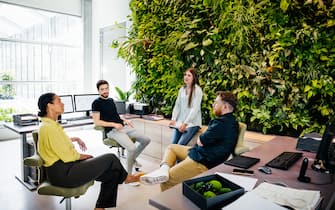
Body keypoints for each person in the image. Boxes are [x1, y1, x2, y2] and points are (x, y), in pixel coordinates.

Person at [37, 93, 143, 210]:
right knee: (110, 158)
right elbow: (68, 156)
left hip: (65, 168)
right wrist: (83, 156)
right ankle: (127, 178)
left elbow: (56, 143)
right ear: (49, 105)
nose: (62, 103)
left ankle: (99, 208)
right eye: (59, 101)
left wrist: (74, 139)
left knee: (112, 173)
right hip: (63, 173)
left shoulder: (50, 125)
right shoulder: (48, 127)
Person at [140, 91, 239, 191]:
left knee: (167, 181)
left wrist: (202, 138)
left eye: (216, 102)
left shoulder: (221, 123)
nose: (213, 104)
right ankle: (163, 170)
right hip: (199, 153)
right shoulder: (231, 122)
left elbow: (200, 141)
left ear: (225, 107)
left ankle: (168, 203)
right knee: (172, 147)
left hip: (202, 162)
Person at [92, 80, 151, 174]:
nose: (105, 91)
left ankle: (132, 159)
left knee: (146, 140)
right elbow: (97, 122)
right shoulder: (96, 103)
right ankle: (128, 176)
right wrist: (114, 124)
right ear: (98, 91)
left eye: (106, 88)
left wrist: (124, 120)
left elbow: (116, 115)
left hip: (123, 127)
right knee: (132, 148)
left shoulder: (111, 100)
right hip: (113, 131)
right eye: (102, 89)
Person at [169, 67, 203, 145]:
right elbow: (177, 105)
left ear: (194, 78)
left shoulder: (197, 90)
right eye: (185, 75)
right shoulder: (182, 89)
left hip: (192, 123)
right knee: (173, 145)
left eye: (189, 75)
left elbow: (195, 109)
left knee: (180, 145)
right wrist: (173, 119)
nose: (186, 77)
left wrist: (185, 123)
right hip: (180, 122)